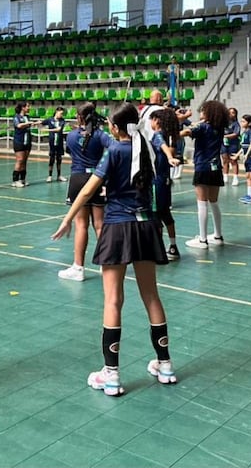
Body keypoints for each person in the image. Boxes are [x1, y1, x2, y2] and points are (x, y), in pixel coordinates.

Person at [53, 102, 175, 396]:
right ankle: (165, 365)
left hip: (119, 227)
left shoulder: (115, 152)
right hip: (146, 226)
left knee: (113, 300)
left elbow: (87, 190)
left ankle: (111, 375)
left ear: (116, 127)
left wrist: (67, 219)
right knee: (151, 296)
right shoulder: (149, 149)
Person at [58, 103, 113, 281]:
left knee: (81, 224)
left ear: (79, 117)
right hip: (96, 178)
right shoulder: (100, 134)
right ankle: (107, 263)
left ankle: (78, 267)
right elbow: (113, 147)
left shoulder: (72, 135)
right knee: (99, 224)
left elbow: (70, 152)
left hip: (77, 179)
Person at [180, 100, 229, 250]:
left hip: (202, 167)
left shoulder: (202, 126)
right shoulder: (219, 127)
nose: (200, 112)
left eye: (203, 110)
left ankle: (202, 239)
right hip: (215, 168)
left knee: (202, 203)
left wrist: (176, 131)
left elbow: (187, 132)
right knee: (213, 202)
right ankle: (218, 235)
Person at [150, 107, 182, 260]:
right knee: (165, 214)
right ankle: (173, 246)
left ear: (157, 121)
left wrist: (169, 157)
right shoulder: (169, 135)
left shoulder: (158, 135)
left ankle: (158, 250)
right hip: (165, 181)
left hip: (157, 182)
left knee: (155, 217)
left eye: (152, 119)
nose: (150, 122)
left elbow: (162, 146)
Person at [238, 114, 251, 204]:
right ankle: (249, 194)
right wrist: (238, 154)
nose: (242, 123)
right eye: (241, 121)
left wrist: (247, 155)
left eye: (244, 121)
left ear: (249, 123)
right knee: (247, 175)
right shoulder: (243, 133)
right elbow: (243, 146)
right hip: (246, 157)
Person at [11, 102, 34, 187]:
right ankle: (15, 180)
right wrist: (28, 123)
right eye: (27, 106)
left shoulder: (27, 117)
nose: (29, 108)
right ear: (22, 108)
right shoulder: (16, 117)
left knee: (25, 161)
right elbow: (19, 125)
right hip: (19, 141)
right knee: (20, 160)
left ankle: (22, 179)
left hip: (27, 141)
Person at [43, 107, 68, 183]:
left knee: (59, 159)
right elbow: (41, 123)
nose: (61, 115)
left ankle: (59, 175)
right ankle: (50, 176)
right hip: (52, 142)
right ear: (57, 112)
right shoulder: (50, 119)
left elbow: (58, 129)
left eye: (62, 114)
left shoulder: (62, 121)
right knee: (51, 159)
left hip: (59, 142)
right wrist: (36, 124)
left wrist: (47, 130)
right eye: (61, 113)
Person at [223, 107, 241, 187]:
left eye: (233, 112)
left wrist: (226, 136)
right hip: (223, 144)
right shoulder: (223, 122)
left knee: (233, 161)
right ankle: (225, 176)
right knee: (225, 160)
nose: (231, 114)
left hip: (233, 144)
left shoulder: (236, 124)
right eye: (229, 112)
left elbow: (236, 134)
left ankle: (235, 178)